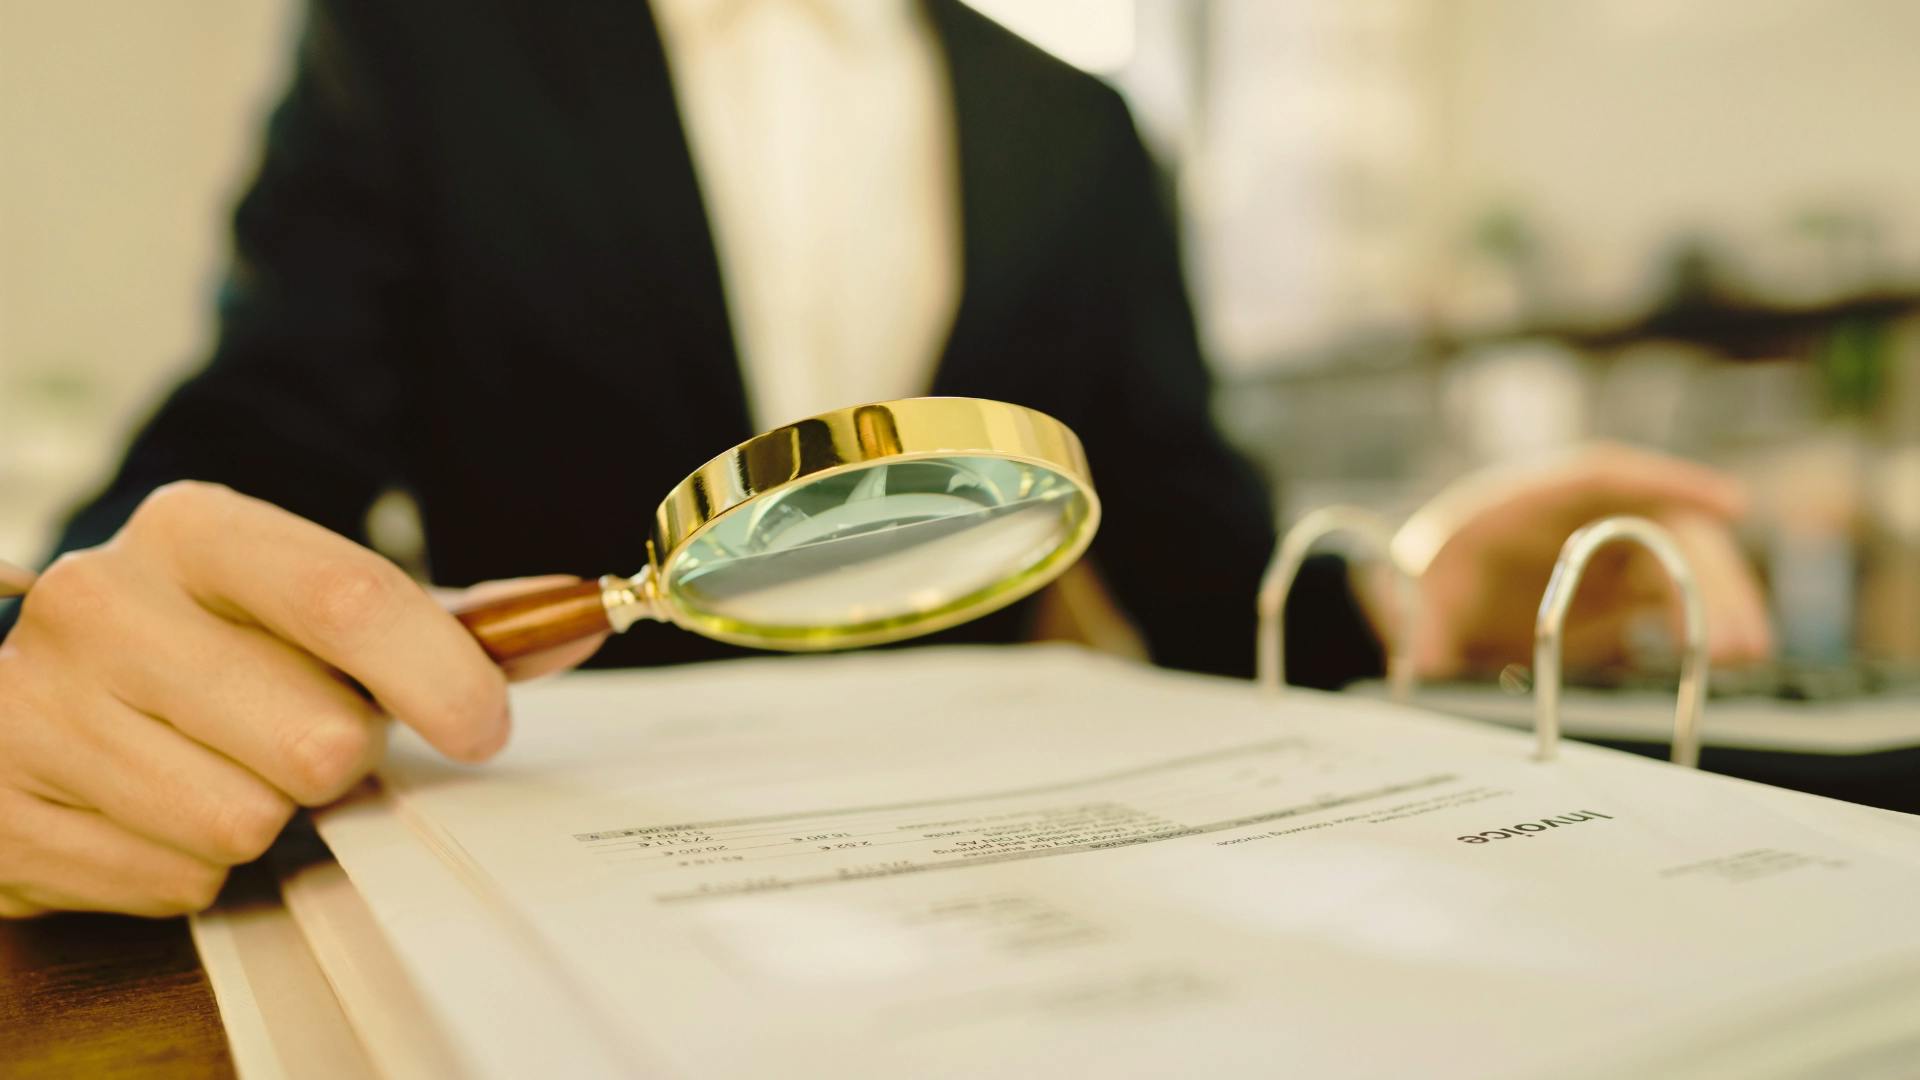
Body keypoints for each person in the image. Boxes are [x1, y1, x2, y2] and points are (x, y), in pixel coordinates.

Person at [0, 0, 1769, 918]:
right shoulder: (421, 39)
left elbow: (1175, 522)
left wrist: (1402, 596)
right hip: (553, 843)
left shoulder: (1075, 120)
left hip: (1015, 881)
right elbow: (259, 432)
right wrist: (72, 667)